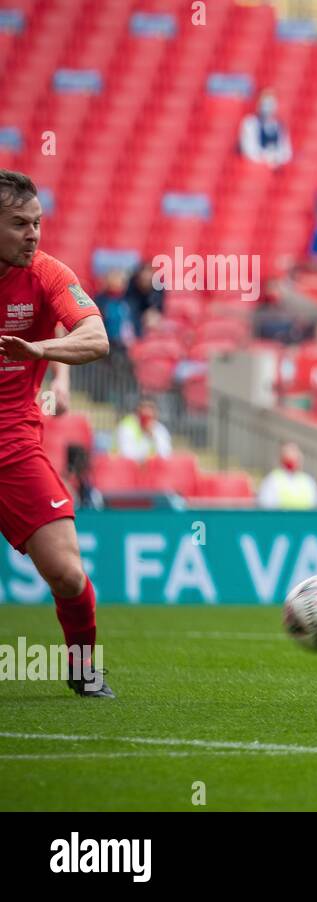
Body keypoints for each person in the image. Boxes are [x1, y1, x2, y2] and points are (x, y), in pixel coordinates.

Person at [0, 169, 113, 697]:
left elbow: (96, 337)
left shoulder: (46, 273)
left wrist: (43, 352)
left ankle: (85, 671)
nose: (33, 234)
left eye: (37, 222)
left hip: (12, 447)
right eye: (19, 223)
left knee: (68, 575)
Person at [257, 442, 317, 510]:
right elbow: (266, 506)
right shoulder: (273, 480)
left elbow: (315, 505)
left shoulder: (308, 481)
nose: (293, 459)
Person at [239, 90, 292, 168]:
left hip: (276, 167)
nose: (268, 108)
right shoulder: (250, 123)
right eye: (265, 104)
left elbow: (286, 152)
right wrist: (266, 158)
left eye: (271, 104)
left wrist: (276, 159)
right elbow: (249, 150)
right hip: (256, 168)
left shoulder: (279, 125)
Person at [115, 397, 172, 462]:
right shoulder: (126, 426)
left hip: (151, 469)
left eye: (151, 408)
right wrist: (146, 436)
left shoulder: (160, 429)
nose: (147, 411)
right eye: (143, 407)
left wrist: (153, 437)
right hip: (124, 469)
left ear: (157, 412)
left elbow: (166, 455)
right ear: (137, 411)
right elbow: (127, 455)